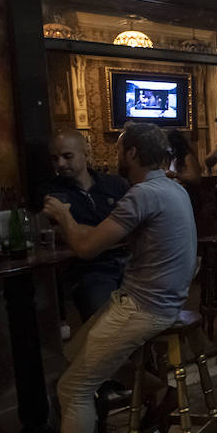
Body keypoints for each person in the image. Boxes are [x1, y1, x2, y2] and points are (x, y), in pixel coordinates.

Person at [40, 121, 198, 433]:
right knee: (74, 353)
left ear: (130, 153)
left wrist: (62, 215)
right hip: (163, 300)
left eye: (120, 149)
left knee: (71, 387)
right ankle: (160, 391)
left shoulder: (142, 194)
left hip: (144, 306)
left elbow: (87, 247)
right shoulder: (174, 189)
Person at [40, 129, 130, 322]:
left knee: (148, 318)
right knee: (105, 328)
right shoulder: (53, 192)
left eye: (67, 156)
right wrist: (113, 232)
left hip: (131, 263)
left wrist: (83, 231)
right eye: (55, 159)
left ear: (85, 153)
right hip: (91, 269)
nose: (60, 164)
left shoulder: (116, 185)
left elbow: (134, 230)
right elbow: (60, 235)